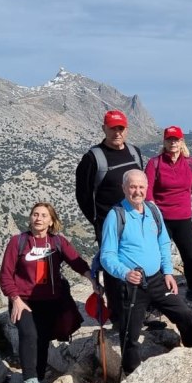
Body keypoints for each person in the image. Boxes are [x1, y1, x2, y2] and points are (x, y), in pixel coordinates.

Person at [100, 169, 192, 376]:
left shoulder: (153, 211)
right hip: (132, 284)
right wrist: (125, 273)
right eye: (132, 187)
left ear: (147, 188)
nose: (137, 191)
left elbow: (163, 242)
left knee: (185, 314)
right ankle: (130, 375)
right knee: (130, 334)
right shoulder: (116, 215)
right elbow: (106, 255)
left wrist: (168, 272)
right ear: (124, 188)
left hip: (156, 280)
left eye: (141, 187)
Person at [0, 202, 93, 383]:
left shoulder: (57, 242)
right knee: (29, 335)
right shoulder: (18, 242)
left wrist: (92, 279)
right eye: (35, 214)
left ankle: (39, 376)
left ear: (51, 221)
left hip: (50, 301)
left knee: (42, 339)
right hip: (23, 300)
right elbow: (6, 275)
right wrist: (14, 299)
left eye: (43, 215)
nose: (38, 218)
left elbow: (76, 261)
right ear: (30, 218)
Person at [75, 109, 144, 311]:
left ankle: (139, 305)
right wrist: (98, 221)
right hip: (108, 224)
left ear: (126, 130)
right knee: (113, 267)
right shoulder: (93, 158)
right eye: (112, 128)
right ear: (104, 128)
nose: (117, 133)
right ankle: (116, 311)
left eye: (120, 128)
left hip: (135, 219)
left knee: (137, 259)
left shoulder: (134, 152)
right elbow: (83, 195)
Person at [144, 126, 192, 304]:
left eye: (176, 139)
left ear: (182, 142)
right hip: (161, 220)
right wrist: (154, 216)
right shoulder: (154, 163)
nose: (173, 143)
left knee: (190, 257)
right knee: (157, 258)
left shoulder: (190, 163)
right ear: (164, 142)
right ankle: (155, 296)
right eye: (169, 139)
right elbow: (147, 193)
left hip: (183, 219)